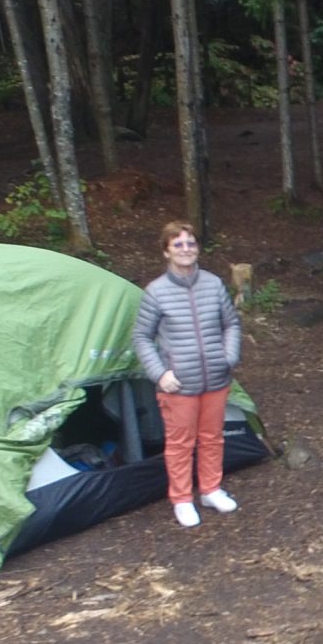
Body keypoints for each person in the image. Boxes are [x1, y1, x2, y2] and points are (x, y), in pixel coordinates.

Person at [133, 220, 241, 528]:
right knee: (181, 443)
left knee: (212, 438)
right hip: (178, 384)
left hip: (215, 379)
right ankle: (182, 499)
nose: (185, 249)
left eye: (190, 243)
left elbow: (231, 324)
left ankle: (210, 490)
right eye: (178, 244)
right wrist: (159, 374)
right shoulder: (156, 292)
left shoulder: (213, 284)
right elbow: (142, 337)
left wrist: (229, 357)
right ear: (166, 251)